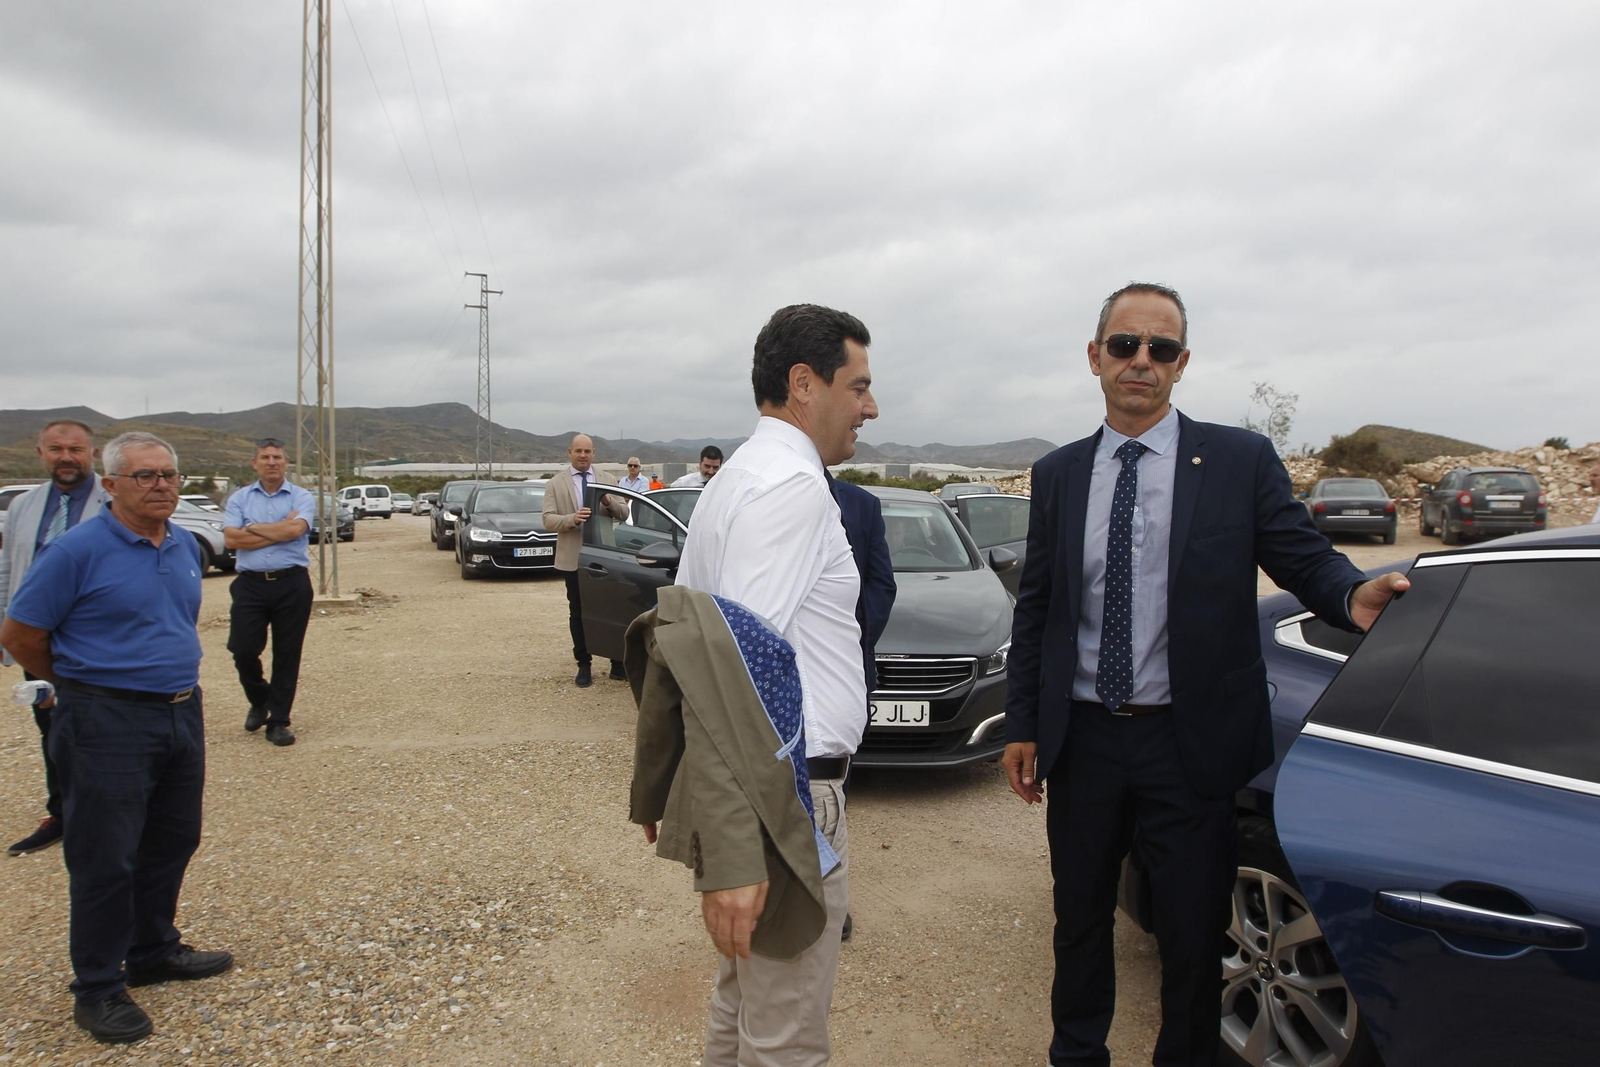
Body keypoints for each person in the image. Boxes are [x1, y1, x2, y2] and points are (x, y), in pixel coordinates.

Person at [1002, 282, 1409, 1067]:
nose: (1141, 361)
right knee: (1079, 917)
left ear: (1182, 363)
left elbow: (1298, 551)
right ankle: (1077, 1052)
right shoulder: (1057, 476)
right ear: (1096, 357)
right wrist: (1023, 722)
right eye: (1125, 345)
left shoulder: (1236, 460)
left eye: (1160, 348)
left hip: (1188, 745)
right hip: (1083, 738)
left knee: (1191, 931)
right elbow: (1039, 609)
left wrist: (1351, 591)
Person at [659, 303, 877, 1066]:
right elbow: (733, 673)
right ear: (804, 383)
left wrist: (672, 785)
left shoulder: (734, 483)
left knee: (742, 1005)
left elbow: (678, 648)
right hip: (785, 798)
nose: (871, 407)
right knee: (785, 1040)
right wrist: (739, 846)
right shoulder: (791, 488)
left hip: (763, 795)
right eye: (859, 385)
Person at [0, 431, 232, 1045]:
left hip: (181, 711)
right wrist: (85, 680)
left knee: (172, 838)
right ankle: (98, 986)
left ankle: (153, 950)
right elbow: (21, 635)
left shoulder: (184, 544)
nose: (161, 486)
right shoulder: (75, 552)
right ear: (111, 486)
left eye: (169, 476)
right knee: (106, 857)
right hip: (104, 720)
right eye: (145, 477)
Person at [0, 419, 109, 857]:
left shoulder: (114, 499)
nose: (67, 457)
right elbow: (10, 567)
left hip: (96, 637)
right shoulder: (24, 506)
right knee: (51, 725)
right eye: (56, 449)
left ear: (93, 455)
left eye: (76, 449)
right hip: (40, 639)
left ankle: (106, 817)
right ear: (41, 454)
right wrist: (8, 630)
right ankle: (62, 813)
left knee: (105, 726)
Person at [826, 473, 896, 942]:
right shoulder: (766, 494)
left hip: (845, 674)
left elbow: (881, 585)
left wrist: (846, 640)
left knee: (834, 791)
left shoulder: (862, 505)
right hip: (779, 677)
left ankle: (831, 901)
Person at [222, 438, 317, 747]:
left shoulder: (302, 497)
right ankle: (260, 698)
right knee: (242, 649)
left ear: (286, 463)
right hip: (250, 584)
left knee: (287, 654)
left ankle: (278, 721)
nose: (272, 462)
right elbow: (232, 541)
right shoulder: (239, 498)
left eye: (277, 457)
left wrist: (251, 527)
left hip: (292, 583)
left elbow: (295, 531)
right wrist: (274, 530)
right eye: (265, 457)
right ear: (255, 463)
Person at [541, 434, 629, 687]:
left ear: (593, 453)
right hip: (574, 559)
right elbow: (547, 520)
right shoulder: (555, 484)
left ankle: (617, 662)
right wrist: (572, 518)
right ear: (569, 452)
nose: (583, 455)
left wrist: (609, 501)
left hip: (605, 558)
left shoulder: (608, 480)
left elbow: (624, 513)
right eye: (578, 451)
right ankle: (584, 664)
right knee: (578, 612)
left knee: (611, 608)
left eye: (587, 451)